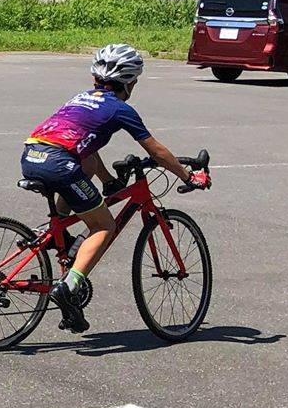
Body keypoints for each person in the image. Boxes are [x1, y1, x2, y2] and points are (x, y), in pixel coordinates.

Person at [19, 44, 208, 334]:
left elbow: (87, 155)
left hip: (32, 156)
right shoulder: (121, 109)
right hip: (59, 164)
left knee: (85, 164)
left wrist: (108, 181)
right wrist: (187, 176)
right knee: (104, 225)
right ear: (129, 81)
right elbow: (156, 151)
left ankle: (55, 232)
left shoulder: (80, 98)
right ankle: (68, 288)